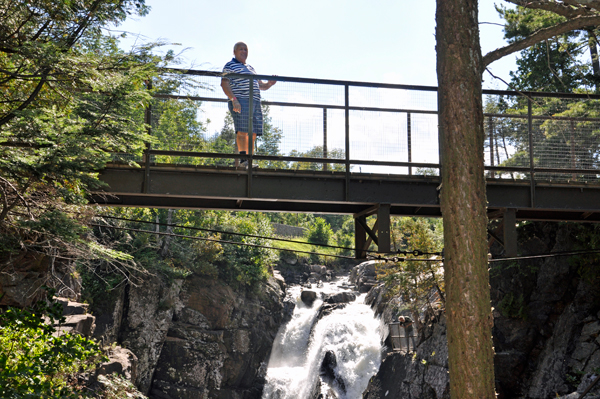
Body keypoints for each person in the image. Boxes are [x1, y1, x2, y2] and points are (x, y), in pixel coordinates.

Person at [221, 42, 276, 168]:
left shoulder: (251, 68)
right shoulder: (230, 66)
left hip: (255, 102)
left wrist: (269, 84)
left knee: (254, 132)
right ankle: (242, 160)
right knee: (242, 130)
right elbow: (224, 84)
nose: (244, 51)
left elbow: (261, 86)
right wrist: (234, 99)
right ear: (234, 51)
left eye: (246, 49)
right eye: (241, 49)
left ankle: (249, 160)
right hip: (241, 100)